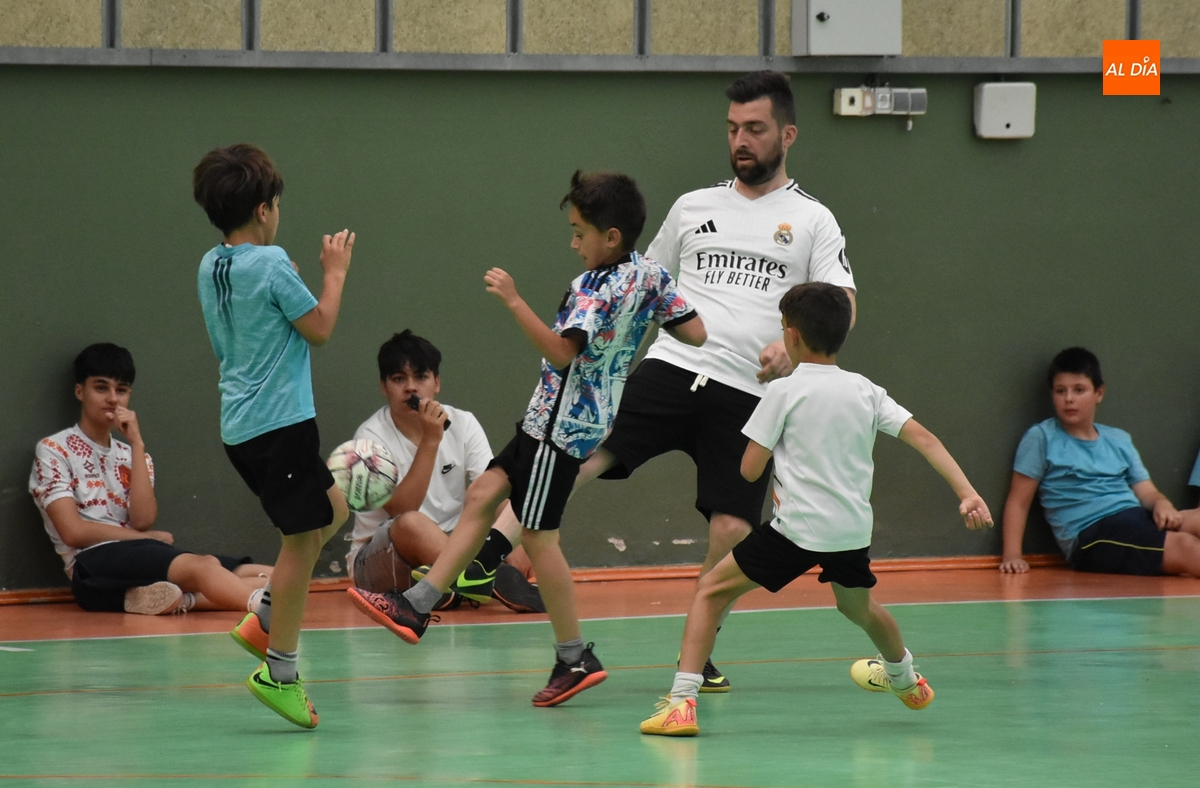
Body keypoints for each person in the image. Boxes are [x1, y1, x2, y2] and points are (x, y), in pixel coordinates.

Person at [348, 170, 706, 707]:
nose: (574, 243)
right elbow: (695, 332)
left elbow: (563, 352)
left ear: (611, 236)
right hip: (551, 420)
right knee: (483, 494)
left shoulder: (592, 287)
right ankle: (417, 604)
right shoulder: (651, 275)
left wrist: (514, 300)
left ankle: (574, 656)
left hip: (560, 430)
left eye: (580, 233)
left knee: (539, 539)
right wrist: (632, 327)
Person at [569, 70, 858, 693]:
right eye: (732, 129)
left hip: (750, 394)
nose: (741, 141)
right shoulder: (693, 206)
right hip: (672, 368)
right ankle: (489, 557)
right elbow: (642, 284)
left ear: (787, 135)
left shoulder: (813, 220)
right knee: (578, 456)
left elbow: (842, 302)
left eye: (754, 128)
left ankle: (696, 656)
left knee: (733, 530)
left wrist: (791, 349)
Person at [639, 283, 993, 736]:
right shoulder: (866, 390)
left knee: (710, 591)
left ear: (791, 336)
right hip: (851, 532)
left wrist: (767, 440)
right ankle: (906, 680)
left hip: (796, 532)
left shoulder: (783, 392)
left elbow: (749, 471)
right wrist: (967, 493)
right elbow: (924, 438)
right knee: (859, 608)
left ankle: (681, 703)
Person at [193, 143, 353, 729]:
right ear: (264, 209)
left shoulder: (211, 266)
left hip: (240, 429)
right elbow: (320, 328)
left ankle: (265, 612)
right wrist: (334, 273)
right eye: (277, 204)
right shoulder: (272, 263)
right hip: (280, 425)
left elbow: (240, 330)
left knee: (334, 511)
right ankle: (279, 671)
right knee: (301, 543)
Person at [29, 343, 273, 616]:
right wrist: (142, 538)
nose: (113, 398)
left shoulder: (134, 455)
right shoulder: (54, 449)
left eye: (121, 390)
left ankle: (182, 599)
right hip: (91, 565)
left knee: (265, 574)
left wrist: (137, 444)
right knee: (204, 567)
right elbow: (73, 532)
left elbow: (142, 520)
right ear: (80, 391)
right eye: (101, 388)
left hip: (139, 553)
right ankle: (264, 614)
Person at [347, 329, 544, 613]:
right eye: (399, 379)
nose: (411, 388)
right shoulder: (369, 438)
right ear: (383, 387)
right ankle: (483, 579)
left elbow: (495, 492)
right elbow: (401, 510)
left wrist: (519, 533)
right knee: (411, 523)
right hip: (383, 559)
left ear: (436, 382)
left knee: (523, 516)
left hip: (454, 544)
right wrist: (431, 440)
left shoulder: (464, 423)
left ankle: (454, 586)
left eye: (421, 377)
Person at [999, 347, 1200, 577]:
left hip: (1134, 517)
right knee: (1186, 547)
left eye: (1079, 390)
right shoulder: (1041, 437)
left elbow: (1147, 492)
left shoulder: (1118, 439)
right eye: (1060, 391)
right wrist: (1012, 554)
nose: (1069, 399)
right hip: (1090, 535)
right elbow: (1018, 502)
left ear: (1099, 393)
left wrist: (1161, 504)